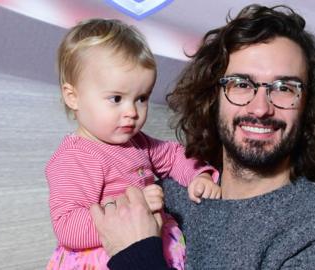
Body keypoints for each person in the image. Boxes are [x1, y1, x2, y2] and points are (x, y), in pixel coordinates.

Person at [91, 4, 315, 269]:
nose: (260, 108)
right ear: (213, 98)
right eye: (241, 84)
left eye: (285, 88)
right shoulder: (166, 190)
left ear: (308, 105)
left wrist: (136, 255)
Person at [45, 19, 221, 270]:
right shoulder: (76, 158)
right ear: (73, 97)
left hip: (152, 248)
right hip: (105, 257)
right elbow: (68, 226)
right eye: (116, 98)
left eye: (141, 98)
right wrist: (134, 207)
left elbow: (172, 155)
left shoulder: (138, 143)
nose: (132, 112)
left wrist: (198, 176)